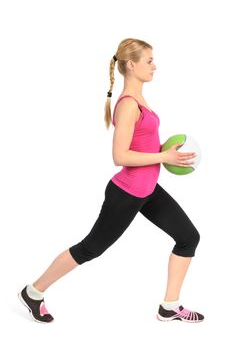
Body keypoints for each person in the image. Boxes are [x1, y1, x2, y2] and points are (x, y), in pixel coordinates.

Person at [18, 38, 204, 323]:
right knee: (90, 248)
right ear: (131, 65)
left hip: (148, 190)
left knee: (188, 237)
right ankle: (34, 291)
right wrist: (163, 158)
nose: (155, 66)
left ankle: (170, 306)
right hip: (127, 193)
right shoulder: (129, 104)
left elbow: (141, 146)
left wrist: (164, 153)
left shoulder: (140, 100)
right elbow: (120, 156)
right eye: (149, 61)